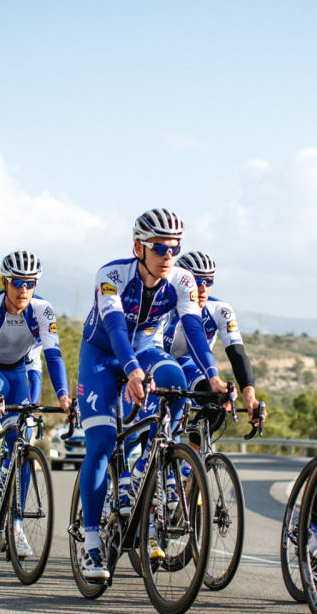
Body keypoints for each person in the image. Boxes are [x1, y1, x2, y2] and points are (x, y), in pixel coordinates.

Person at [75, 209, 229, 580]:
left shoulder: (182, 280)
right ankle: (91, 543)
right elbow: (115, 328)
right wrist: (131, 371)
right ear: (138, 248)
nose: (168, 255)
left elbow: (194, 330)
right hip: (101, 355)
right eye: (159, 248)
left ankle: (144, 466)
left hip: (145, 349)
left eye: (175, 248)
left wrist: (213, 377)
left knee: (175, 381)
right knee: (101, 442)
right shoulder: (111, 276)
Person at [0, 251, 72, 557]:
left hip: (17, 371)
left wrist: (63, 396)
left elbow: (53, 356)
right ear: (5, 282)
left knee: (22, 440)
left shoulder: (43, 311)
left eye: (30, 283)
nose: (23, 289)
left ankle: (15, 525)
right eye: (17, 282)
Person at [163, 250, 264, 440]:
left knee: (217, 402)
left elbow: (237, 354)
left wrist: (250, 396)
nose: (203, 288)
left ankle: (191, 457)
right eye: (196, 280)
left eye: (208, 281)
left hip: (190, 366)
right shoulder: (163, 305)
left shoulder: (220, 310)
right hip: (157, 364)